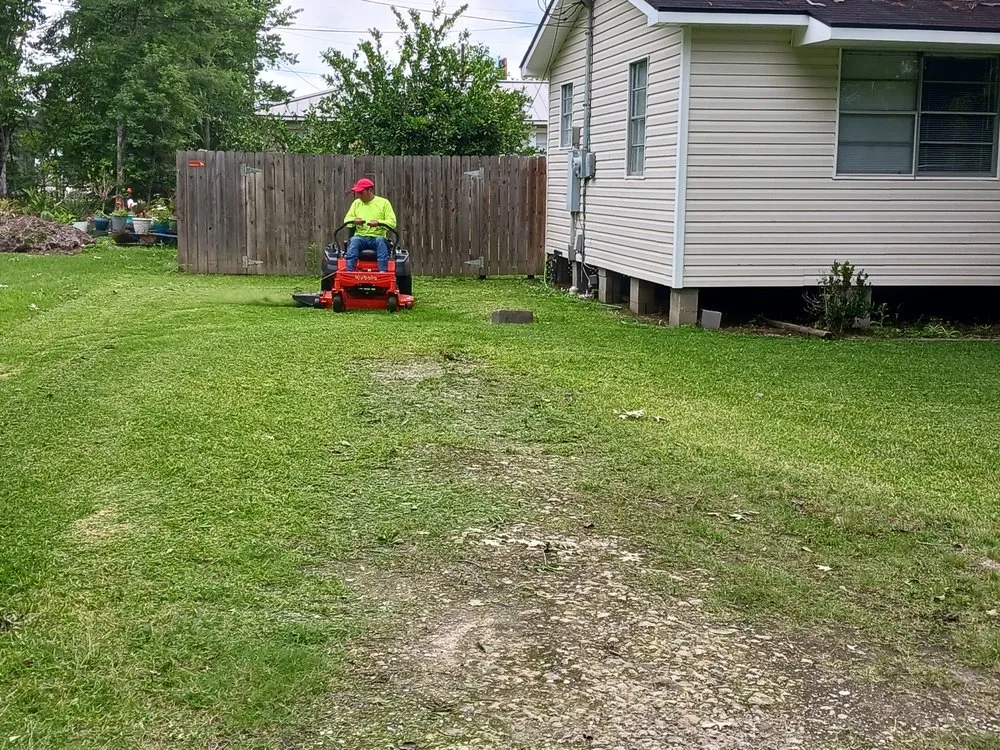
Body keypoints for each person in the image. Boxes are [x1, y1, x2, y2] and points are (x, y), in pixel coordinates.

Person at [343, 178, 397, 272]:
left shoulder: (384, 203)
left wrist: (379, 223)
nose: (358, 195)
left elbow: (392, 222)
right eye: (357, 193)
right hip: (360, 237)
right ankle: (349, 271)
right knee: (354, 240)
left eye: (361, 192)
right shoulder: (356, 204)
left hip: (377, 237)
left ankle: (383, 271)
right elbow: (346, 220)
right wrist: (354, 220)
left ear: (370, 190)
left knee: (380, 241)